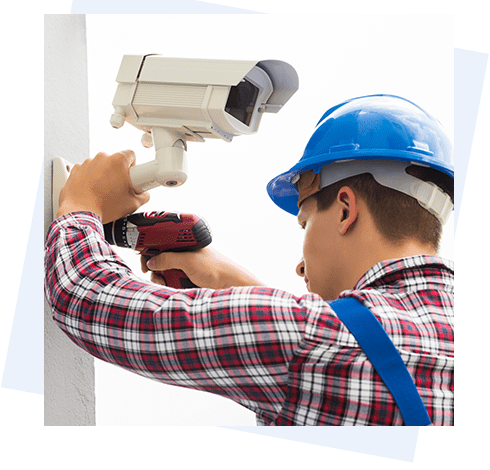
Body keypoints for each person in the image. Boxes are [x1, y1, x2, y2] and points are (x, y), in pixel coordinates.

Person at [45, 94, 454, 425]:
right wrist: (229, 282)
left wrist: (83, 203)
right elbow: (345, 341)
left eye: (305, 222)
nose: (300, 267)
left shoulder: (305, 339)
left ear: (345, 209)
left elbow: (87, 297)